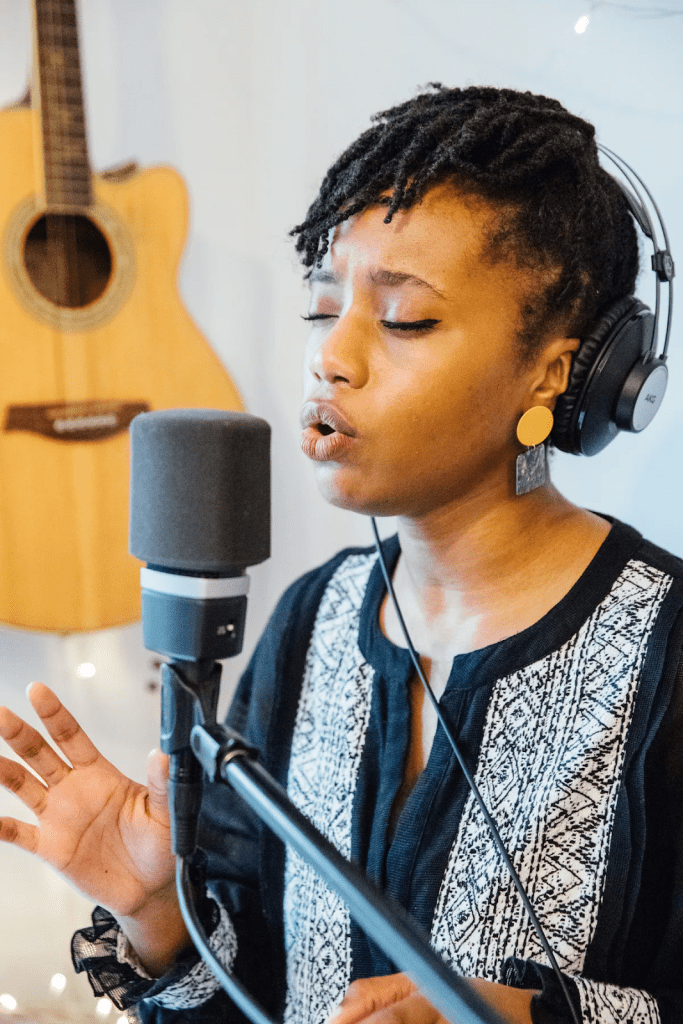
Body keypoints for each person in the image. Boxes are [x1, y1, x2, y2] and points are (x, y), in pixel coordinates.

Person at [0, 85, 681, 1024]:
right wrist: (158, 916)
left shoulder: (668, 648)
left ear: (558, 372)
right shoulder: (312, 618)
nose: (333, 357)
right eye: (323, 311)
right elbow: (249, 996)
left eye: (404, 321)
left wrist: (527, 1017)